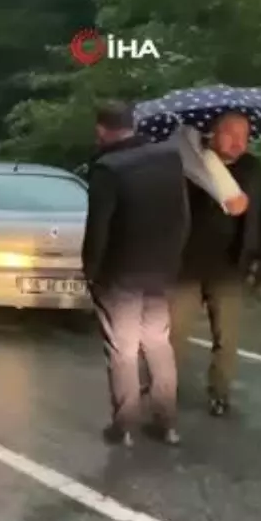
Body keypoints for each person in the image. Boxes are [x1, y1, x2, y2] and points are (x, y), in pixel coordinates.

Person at [82, 101, 189, 446]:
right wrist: (173, 260)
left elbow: (98, 229)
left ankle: (124, 425)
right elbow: (183, 217)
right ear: (133, 124)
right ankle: (167, 423)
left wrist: (91, 271)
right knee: (158, 343)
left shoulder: (107, 169)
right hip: (161, 271)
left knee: (123, 348)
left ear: (101, 130)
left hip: (121, 274)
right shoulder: (169, 158)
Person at [168, 112, 261, 417]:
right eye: (230, 134)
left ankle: (220, 392)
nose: (239, 142)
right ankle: (163, 386)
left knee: (226, 337)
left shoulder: (254, 170)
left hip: (230, 266)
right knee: (174, 333)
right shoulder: (190, 163)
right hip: (185, 266)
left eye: (245, 135)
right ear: (212, 134)